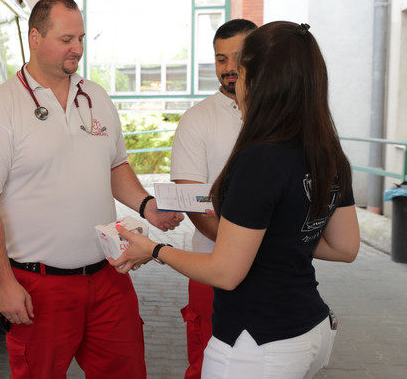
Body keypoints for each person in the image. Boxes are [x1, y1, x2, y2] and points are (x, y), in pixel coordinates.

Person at [112, 21, 360, 379]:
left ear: (261, 81)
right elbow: (345, 247)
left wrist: (152, 249)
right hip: (311, 328)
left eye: (242, 74)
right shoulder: (327, 150)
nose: (236, 84)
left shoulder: (259, 158)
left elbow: (226, 273)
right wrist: (271, 236)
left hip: (258, 342)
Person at [0, 0, 183, 379]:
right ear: (34, 38)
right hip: (39, 287)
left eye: (81, 39)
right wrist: (4, 284)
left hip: (109, 277)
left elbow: (115, 166)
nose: (77, 49)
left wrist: (148, 206)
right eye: (67, 40)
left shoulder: (95, 96)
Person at [169, 18, 257, 379]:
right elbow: (194, 205)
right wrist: (247, 247)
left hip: (276, 275)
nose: (229, 68)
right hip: (211, 268)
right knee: (207, 364)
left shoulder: (283, 115)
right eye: (221, 59)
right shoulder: (197, 120)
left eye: (238, 57)